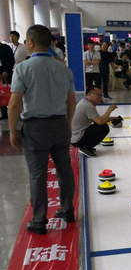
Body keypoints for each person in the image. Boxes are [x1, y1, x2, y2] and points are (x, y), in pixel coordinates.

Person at [8, 24, 76, 233]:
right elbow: (71, 102)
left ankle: (39, 221)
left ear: (30, 42)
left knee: (38, 174)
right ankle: (67, 210)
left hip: (35, 128)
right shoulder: (64, 69)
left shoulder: (22, 68)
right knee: (64, 169)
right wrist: (68, 124)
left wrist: (12, 131)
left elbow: (14, 104)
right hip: (59, 125)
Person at [71, 86, 118, 157]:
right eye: (98, 95)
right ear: (89, 94)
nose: (100, 98)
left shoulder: (84, 102)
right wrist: (110, 110)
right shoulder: (87, 105)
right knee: (104, 127)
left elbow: (98, 119)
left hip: (75, 137)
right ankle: (85, 147)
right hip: (77, 138)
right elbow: (100, 121)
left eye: (101, 95)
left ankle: (87, 146)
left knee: (99, 126)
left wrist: (113, 118)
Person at [0, 41, 15, 120]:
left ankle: (15, 111)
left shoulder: (5, 48)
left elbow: (11, 61)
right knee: (1, 94)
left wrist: (7, 71)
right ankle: (4, 113)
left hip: (7, 74)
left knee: (10, 92)